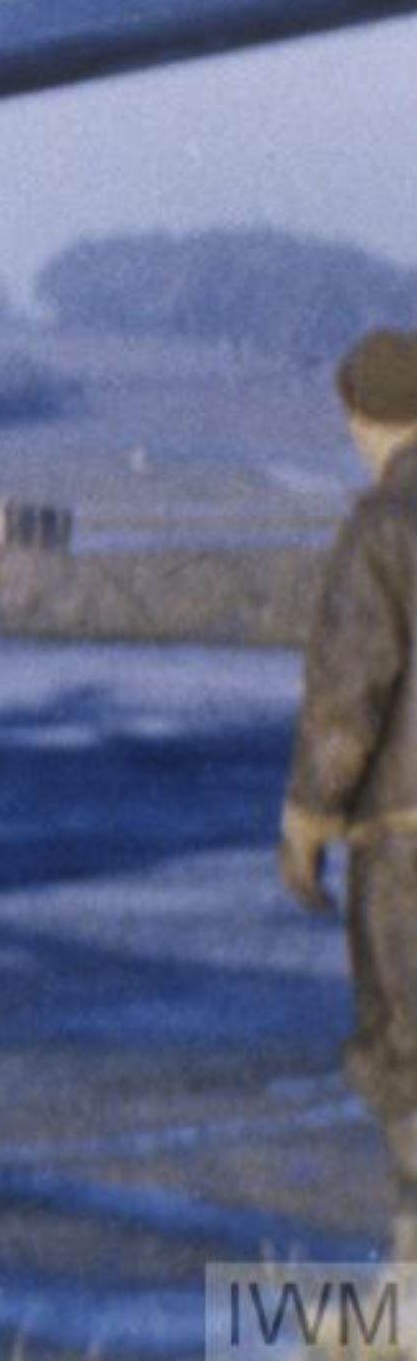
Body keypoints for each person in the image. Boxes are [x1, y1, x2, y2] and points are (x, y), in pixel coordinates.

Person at [282, 329, 417, 1263]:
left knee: (408, 1052)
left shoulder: (384, 526)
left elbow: (349, 690)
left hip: (408, 840)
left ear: (363, 417)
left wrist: (307, 817)